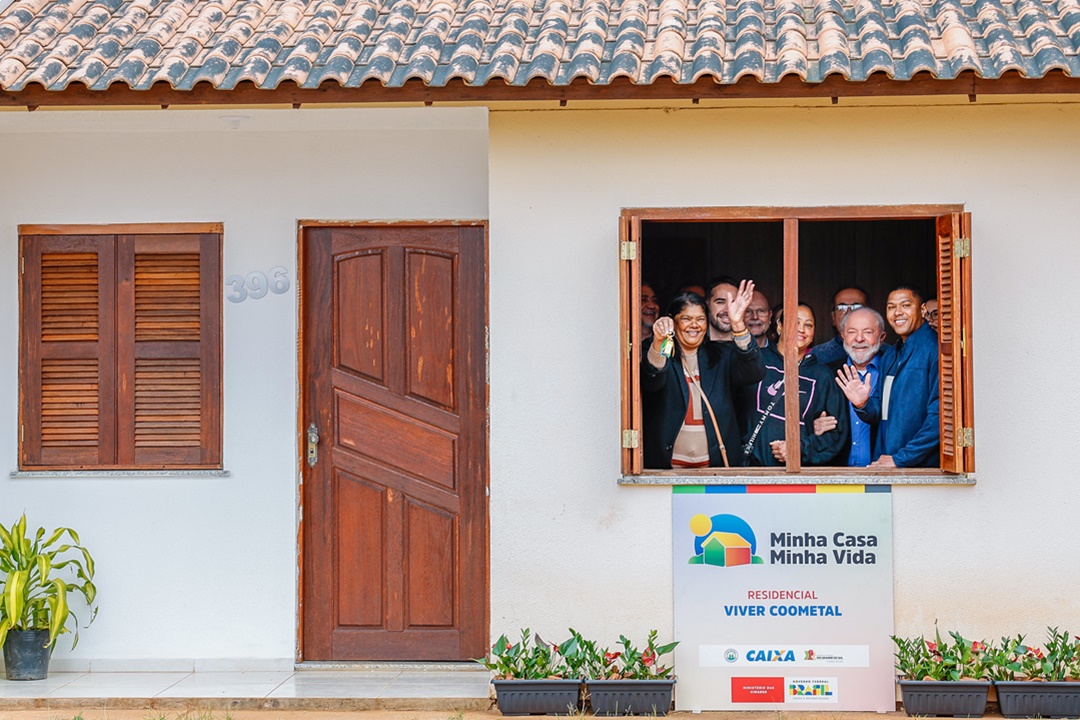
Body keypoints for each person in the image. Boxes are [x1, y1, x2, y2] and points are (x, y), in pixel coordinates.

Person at [641, 283, 765, 469]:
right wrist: (659, 341)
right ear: (673, 322)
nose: (694, 325)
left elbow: (755, 372)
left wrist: (738, 324)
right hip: (665, 471)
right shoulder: (656, 350)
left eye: (700, 319)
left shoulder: (722, 355)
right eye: (686, 318)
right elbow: (652, 382)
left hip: (715, 470)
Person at [836, 285, 939, 468]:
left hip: (920, 468)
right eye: (891, 307)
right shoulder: (891, 355)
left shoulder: (935, 348)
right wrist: (862, 404)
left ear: (922, 310)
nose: (898, 312)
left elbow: (940, 418)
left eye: (905, 305)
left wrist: (901, 458)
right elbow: (879, 412)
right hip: (886, 462)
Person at [742, 302, 849, 466]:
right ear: (779, 326)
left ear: (813, 334)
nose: (802, 329)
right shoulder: (757, 360)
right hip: (749, 469)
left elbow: (836, 434)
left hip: (799, 476)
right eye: (795, 322)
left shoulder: (822, 375)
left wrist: (798, 449)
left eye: (808, 325)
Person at [816, 307, 887, 466]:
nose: (859, 338)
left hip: (883, 471)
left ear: (881, 337)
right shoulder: (827, 374)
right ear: (842, 336)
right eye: (852, 332)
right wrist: (812, 426)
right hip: (835, 474)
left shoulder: (893, 371)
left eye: (868, 332)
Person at [810, 286, 869, 366]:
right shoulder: (818, 355)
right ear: (833, 318)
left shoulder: (885, 354)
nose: (849, 312)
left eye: (857, 307)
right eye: (841, 307)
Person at [705, 275, 740, 342]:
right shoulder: (694, 344)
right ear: (707, 304)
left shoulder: (749, 346)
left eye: (733, 303)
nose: (728, 310)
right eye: (720, 302)